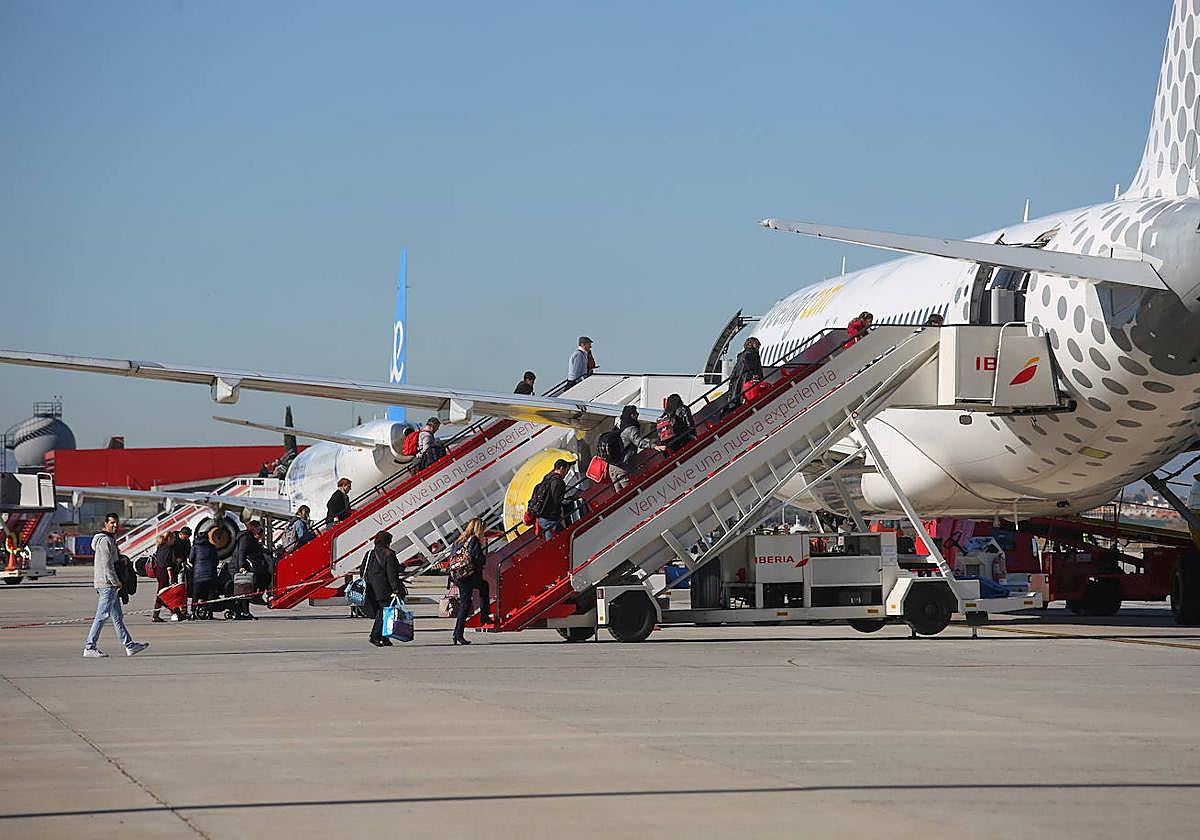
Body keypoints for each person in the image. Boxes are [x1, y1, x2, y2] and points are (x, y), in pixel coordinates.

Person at [83, 513, 149, 658]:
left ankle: (129, 645)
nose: (115, 525)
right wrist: (116, 582)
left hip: (110, 585)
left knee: (117, 617)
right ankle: (90, 646)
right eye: (112, 523)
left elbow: (113, 562)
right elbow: (107, 566)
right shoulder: (104, 541)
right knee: (101, 616)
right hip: (107, 585)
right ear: (105, 524)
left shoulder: (111, 540)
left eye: (116, 523)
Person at [451, 518, 493, 645]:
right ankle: (458, 633)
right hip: (468, 576)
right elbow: (478, 558)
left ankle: (484, 616)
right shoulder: (474, 540)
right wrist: (485, 558)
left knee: (483, 586)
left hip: (458, 575)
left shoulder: (459, 540)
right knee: (465, 604)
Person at [360, 531, 404, 647]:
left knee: (382, 612)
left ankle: (384, 637)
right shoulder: (389, 554)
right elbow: (391, 573)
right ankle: (375, 636)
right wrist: (395, 589)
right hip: (384, 589)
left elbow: (362, 571)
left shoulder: (369, 553)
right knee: (385, 613)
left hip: (370, 588)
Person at [607, 406, 651, 490]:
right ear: (631, 415)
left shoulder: (618, 425)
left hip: (612, 466)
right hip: (622, 467)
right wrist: (653, 445)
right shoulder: (631, 428)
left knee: (619, 495)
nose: (638, 415)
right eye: (636, 414)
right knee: (629, 493)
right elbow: (638, 441)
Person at [230, 521, 267, 618]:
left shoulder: (251, 538)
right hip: (238, 567)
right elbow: (241, 552)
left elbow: (258, 549)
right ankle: (241, 612)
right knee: (243, 590)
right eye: (258, 527)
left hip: (242, 566)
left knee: (244, 590)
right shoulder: (245, 538)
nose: (259, 529)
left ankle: (242, 612)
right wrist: (242, 567)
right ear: (253, 528)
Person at [531, 459, 573, 540]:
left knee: (554, 538)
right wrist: (565, 502)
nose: (566, 473)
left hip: (541, 517)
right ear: (561, 468)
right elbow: (555, 500)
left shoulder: (548, 477)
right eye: (566, 470)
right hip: (549, 518)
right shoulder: (558, 482)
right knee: (563, 538)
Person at [723, 336, 765, 416]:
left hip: (737, 383)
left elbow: (735, 372)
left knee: (737, 403)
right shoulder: (752, 355)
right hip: (746, 382)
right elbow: (756, 370)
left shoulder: (741, 355)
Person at [189, 526, 219, 619]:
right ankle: (209, 613)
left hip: (198, 575)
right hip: (210, 575)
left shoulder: (195, 547)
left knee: (196, 595)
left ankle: (193, 613)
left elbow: (191, 559)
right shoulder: (212, 547)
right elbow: (216, 560)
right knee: (210, 594)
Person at [151, 531, 181, 623]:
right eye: (173, 539)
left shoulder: (160, 548)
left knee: (162, 593)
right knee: (164, 594)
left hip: (159, 572)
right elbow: (168, 566)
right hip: (164, 573)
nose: (174, 540)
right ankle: (175, 612)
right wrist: (171, 578)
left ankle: (173, 612)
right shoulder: (168, 549)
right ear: (169, 539)